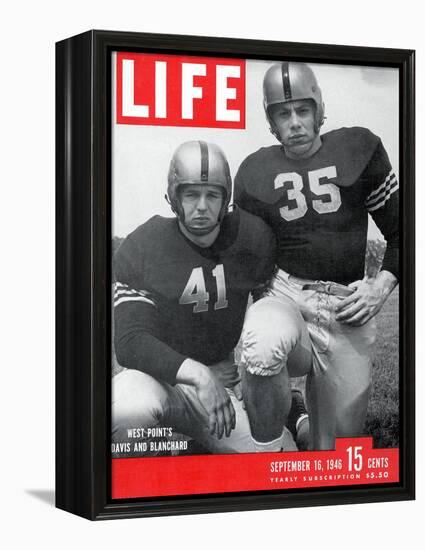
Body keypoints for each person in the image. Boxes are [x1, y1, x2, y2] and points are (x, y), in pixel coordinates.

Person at [234, 62, 399, 451]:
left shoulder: (360, 149)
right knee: (261, 343)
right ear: (271, 121)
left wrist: (381, 286)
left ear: (319, 109)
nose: (294, 123)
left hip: (347, 305)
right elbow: (243, 259)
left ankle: (302, 420)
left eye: (302, 110)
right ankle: (270, 454)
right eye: (283, 113)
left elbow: (404, 230)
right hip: (287, 294)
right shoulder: (255, 172)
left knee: (336, 453)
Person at [112, 140, 308, 456]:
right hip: (157, 381)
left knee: (273, 461)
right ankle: (161, 463)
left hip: (222, 388)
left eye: (212, 194)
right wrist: (200, 374)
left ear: (226, 198)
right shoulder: (144, 246)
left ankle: (290, 409)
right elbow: (130, 342)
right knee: (126, 409)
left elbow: (269, 310)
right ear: (174, 197)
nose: (202, 206)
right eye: (191, 194)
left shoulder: (250, 238)